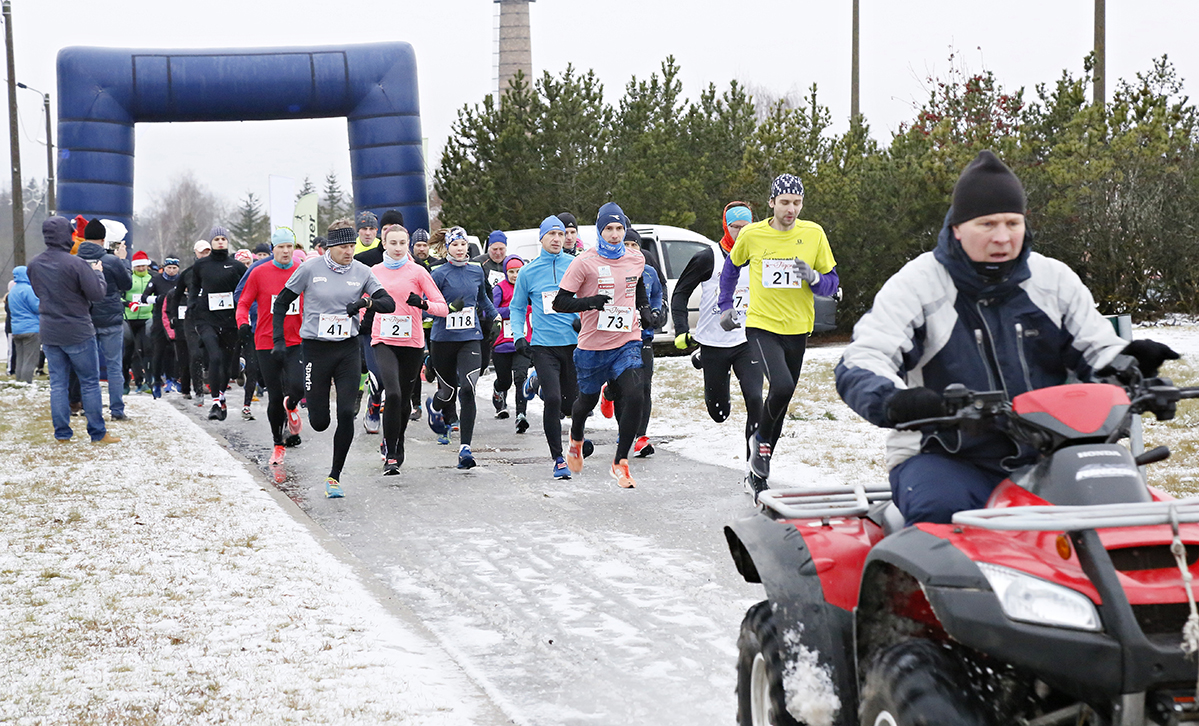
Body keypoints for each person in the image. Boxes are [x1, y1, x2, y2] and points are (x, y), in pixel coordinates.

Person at [836, 150, 1180, 526]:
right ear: (957, 227)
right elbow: (865, 358)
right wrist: (895, 401)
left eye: (1012, 223)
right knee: (944, 519)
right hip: (947, 455)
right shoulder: (918, 285)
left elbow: (1096, 349)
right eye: (987, 224)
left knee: (1128, 523)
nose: (1002, 237)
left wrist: (1129, 365)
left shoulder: (1054, 281)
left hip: (1055, 453)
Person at [718, 174, 839, 496]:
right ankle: (760, 443)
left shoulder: (813, 234)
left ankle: (758, 470)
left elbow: (831, 283)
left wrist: (814, 278)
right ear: (772, 203)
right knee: (782, 385)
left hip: (797, 329)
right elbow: (731, 268)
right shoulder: (753, 234)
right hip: (762, 326)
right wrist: (726, 305)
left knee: (781, 401)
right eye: (785, 202)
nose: (791, 209)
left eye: (797, 203)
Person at [272, 218, 396, 498]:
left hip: (347, 350)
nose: (349, 251)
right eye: (343, 247)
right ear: (330, 247)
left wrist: (366, 302)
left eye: (352, 246)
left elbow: (388, 303)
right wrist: (279, 341)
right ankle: (291, 403)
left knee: (346, 414)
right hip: (315, 349)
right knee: (319, 422)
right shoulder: (309, 269)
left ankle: (334, 476)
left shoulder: (362, 271)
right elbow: (281, 303)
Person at [553, 203, 653, 488]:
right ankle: (576, 437)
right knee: (586, 402)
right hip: (593, 345)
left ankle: (620, 461)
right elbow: (560, 302)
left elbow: (636, 284)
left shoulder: (636, 258)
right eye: (609, 228)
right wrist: (590, 303)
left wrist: (644, 308)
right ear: (599, 231)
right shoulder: (584, 262)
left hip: (627, 340)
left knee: (635, 394)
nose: (615, 234)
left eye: (619, 228)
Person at [670, 201, 765, 493]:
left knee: (756, 401)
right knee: (719, 413)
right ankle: (703, 359)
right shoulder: (707, 257)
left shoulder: (760, 255)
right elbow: (680, 293)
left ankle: (755, 472)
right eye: (735, 227)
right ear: (726, 226)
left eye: (746, 227)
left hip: (747, 342)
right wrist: (682, 329)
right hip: (713, 343)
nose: (740, 232)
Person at [25, 217, 118, 444]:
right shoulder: (76, 264)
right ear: (67, 235)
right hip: (78, 330)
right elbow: (97, 294)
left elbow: (38, 293)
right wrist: (98, 273)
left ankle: (62, 434)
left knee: (58, 384)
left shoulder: (34, 264)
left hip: (50, 330)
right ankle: (98, 433)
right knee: (89, 382)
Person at [369, 224, 448, 474]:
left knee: (403, 401)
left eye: (402, 243)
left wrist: (423, 304)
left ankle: (398, 441)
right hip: (383, 340)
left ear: (408, 245)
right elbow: (361, 301)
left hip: (412, 343)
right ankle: (391, 453)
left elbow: (443, 308)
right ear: (384, 244)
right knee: (392, 394)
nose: (398, 248)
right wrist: (360, 317)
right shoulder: (374, 272)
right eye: (393, 243)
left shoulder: (418, 271)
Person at [511, 216, 581, 479]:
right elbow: (517, 307)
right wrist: (519, 336)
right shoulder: (528, 272)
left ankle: (536, 383)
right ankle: (559, 458)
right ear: (541, 238)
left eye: (561, 234)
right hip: (543, 346)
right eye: (551, 234)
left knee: (571, 406)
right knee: (552, 399)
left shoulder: (575, 266)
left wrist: (583, 319)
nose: (557, 239)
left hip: (573, 345)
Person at [427, 226, 497, 468]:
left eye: (462, 244)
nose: (459, 249)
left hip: (470, 338)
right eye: (454, 244)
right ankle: (435, 407)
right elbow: (427, 307)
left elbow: (483, 299)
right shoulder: (438, 274)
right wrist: (448, 308)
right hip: (443, 340)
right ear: (447, 247)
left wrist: (496, 317)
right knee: (448, 393)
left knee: (467, 389)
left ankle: (465, 449)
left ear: (468, 246)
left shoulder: (477, 270)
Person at [237, 227, 305, 475]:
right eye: (281, 247)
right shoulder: (259, 272)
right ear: (273, 249)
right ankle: (278, 445)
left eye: (289, 247)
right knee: (275, 396)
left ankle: (293, 405)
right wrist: (242, 323)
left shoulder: (301, 269)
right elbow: (243, 302)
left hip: (296, 340)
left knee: (298, 387)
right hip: (266, 342)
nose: (286, 251)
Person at [600, 229, 665, 457]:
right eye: (625, 244)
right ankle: (622, 425)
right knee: (622, 389)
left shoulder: (648, 272)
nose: (630, 248)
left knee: (644, 386)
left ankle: (640, 437)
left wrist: (655, 311)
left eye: (634, 245)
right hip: (615, 338)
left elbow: (657, 294)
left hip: (642, 337)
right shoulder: (608, 269)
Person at [187, 226, 247, 420]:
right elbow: (194, 286)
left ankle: (221, 398)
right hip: (207, 319)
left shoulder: (237, 266)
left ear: (227, 242)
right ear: (211, 242)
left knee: (228, 364)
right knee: (214, 357)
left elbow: (246, 291)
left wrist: (244, 312)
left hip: (230, 320)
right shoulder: (201, 265)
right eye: (217, 239)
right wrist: (192, 304)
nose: (220, 241)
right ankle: (214, 402)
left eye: (223, 239)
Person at [354, 212, 405, 435]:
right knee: (378, 373)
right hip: (372, 325)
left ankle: (395, 418)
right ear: (381, 235)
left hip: (402, 326)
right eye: (386, 229)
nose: (390, 233)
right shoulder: (364, 260)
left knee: (397, 379)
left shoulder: (411, 263)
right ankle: (374, 404)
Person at [76, 220, 133, 420]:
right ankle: (117, 410)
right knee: (114, 366)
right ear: (103, 239)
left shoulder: (75, 261)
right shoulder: (111, 261)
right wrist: (123, 261)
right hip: (111, 319)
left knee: (87, 368)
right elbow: (127, 284)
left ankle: (88, 407)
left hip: (85, 319)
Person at [490, 254, 531, 431]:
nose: (515, 275)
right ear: (506, 273)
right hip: (502, 342)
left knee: (521, 377)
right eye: (511, 272)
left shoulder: (528, 287)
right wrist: (515, 310)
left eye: (518, 271)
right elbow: (491, 310)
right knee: (505, 381)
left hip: (522, 340)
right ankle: (498, 389)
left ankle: (521, 415)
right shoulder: (500, 288)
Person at [167, 240, 211, 402]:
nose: (204, 255)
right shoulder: (188, 273)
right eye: (201, 252)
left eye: (207, 252)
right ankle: (197, 390)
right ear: (195, 253)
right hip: (191, 318)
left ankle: (212, 384)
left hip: (212, 317)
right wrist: (173, 316)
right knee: (194, 354)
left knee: (212, 353)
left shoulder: (217, 271)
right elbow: (176, 295)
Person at [139, 255, 182, 397]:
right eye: (169, 268)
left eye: (174, 268)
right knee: (158, 350)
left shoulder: (181, 280)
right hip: (159, 318)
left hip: (175, 318)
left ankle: (172, 379)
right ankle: (157, 380)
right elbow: (144, 297)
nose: (171, 271)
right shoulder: (157, 279)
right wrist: (158, 299)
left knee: (174, 351)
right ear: (164, 268)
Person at [123, 251, 154, 394]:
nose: (141, 269)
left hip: (146, 317)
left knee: (147, 349)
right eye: (138, 266)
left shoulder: (152, 278)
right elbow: (119, 297)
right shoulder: (128, 278)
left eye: (143, 266)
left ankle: (148, 381)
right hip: (129, 318)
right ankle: (127, 382)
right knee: (129, 351)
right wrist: (128, 304)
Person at [7, 266, 40, 383]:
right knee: (30, 359)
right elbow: (37, 307)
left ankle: (19, 381)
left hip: (16, 329)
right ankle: (26, 382)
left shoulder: (13, 291)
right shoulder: (27, 289)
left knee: (20, 358)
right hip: (31, 328)